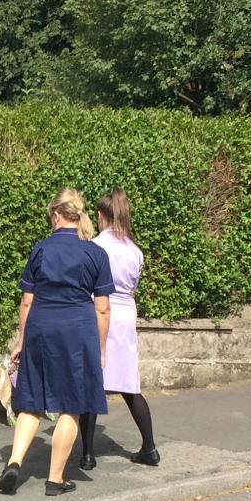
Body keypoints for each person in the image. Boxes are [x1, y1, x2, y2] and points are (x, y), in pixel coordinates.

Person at [0, 188, 114, 496]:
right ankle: (55, 478)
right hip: (77, 330)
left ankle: (14, 462)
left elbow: (26, 300)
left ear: (56, 215)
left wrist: (21, 339)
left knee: (31, 401)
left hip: (41, 327)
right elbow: (102, 308)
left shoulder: (40, 249)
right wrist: (100, 348)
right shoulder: (95, 253)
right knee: (71, 405)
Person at [78, 188, 159, 468]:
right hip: (125, 313)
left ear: (100, 215)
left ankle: (87, 454)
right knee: (129, 384)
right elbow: (132, 287)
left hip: (100, 310)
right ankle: (150, 447)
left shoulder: (95, 246)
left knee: (92, 382)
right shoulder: (135, 251)